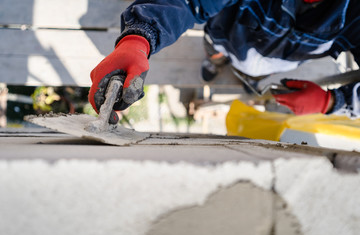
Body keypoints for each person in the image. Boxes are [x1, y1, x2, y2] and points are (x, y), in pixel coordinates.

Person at [88, 0, 360, 124]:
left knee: (251, 71)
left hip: (278, 64)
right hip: (224, 38)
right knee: (214, 52)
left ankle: (241, 72)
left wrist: (335, 102)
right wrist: (139, 38)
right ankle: (215, 61)